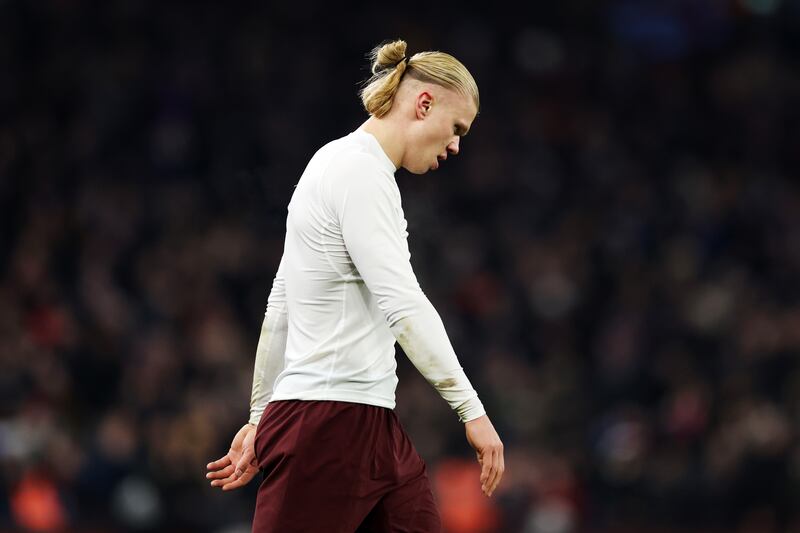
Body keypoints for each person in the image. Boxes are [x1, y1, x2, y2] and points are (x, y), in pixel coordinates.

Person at [206, 38, 504, 532]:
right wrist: (471, 410)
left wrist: (261, 415)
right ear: (423, 103)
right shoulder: (359, 173)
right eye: (456, 128)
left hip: (371, 424)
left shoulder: (333, 165)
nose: (456, 146)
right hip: (327, 422)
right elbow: (402, 302)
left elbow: (281, 303)